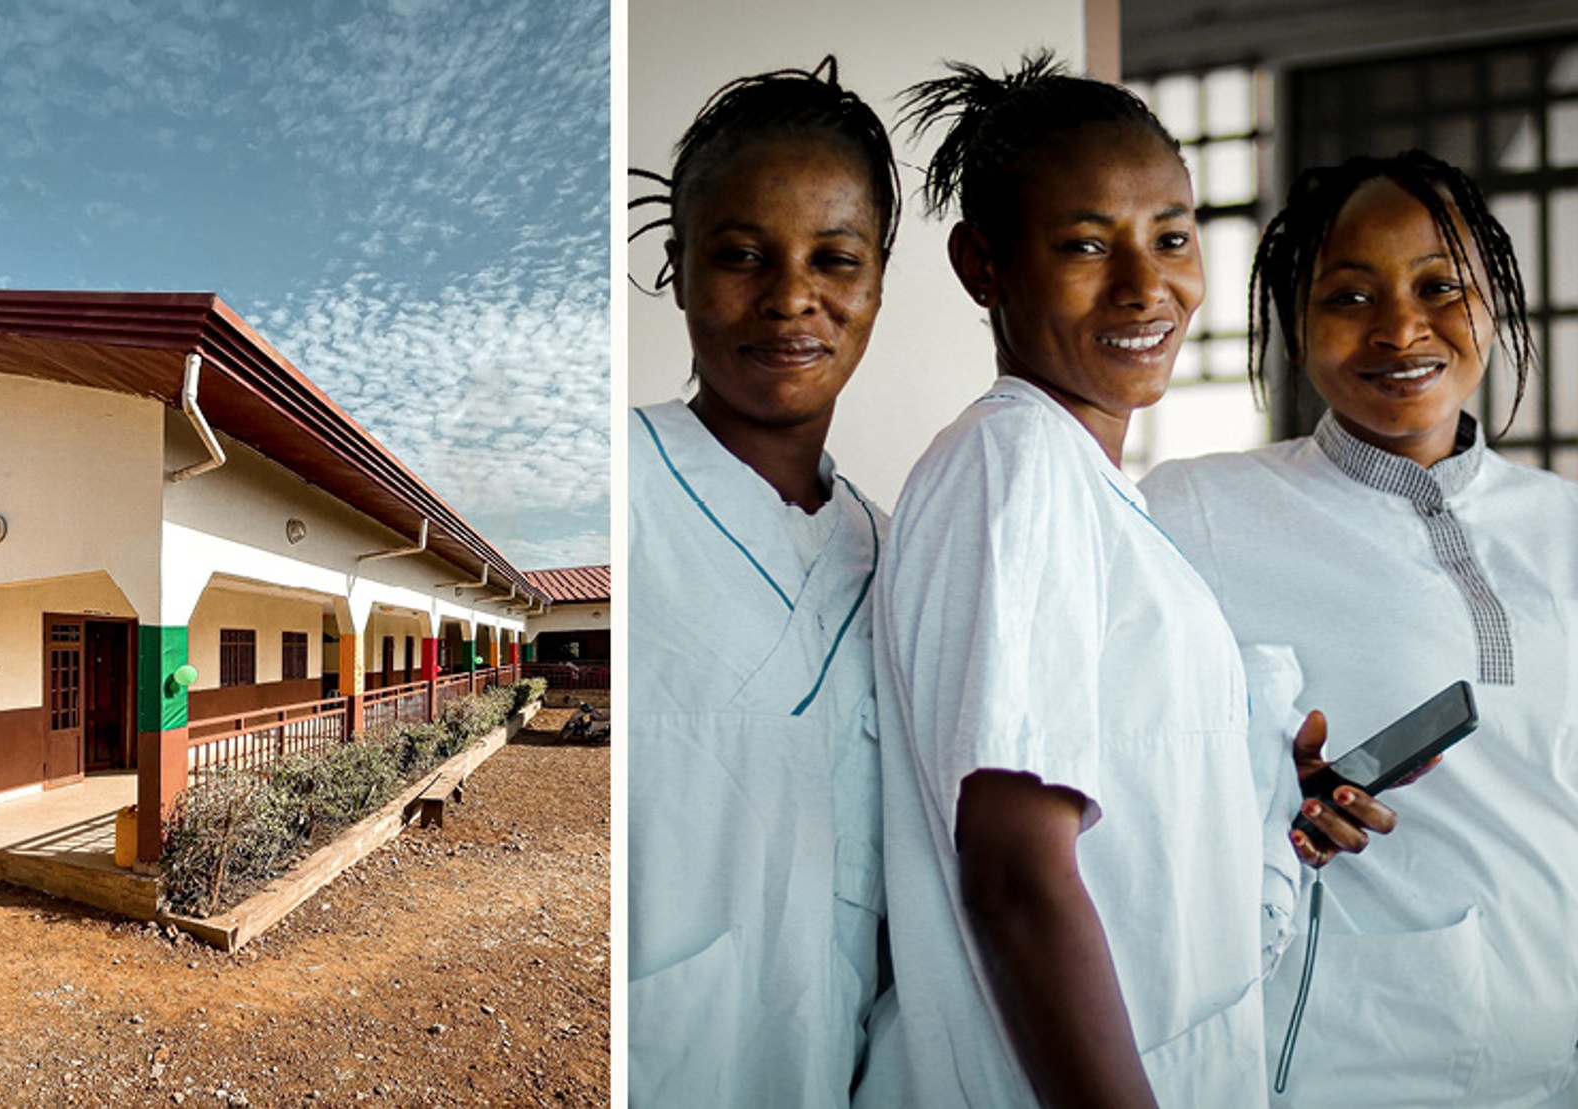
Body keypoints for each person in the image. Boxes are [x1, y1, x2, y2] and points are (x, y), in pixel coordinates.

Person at [854, 54, 1386, 1109]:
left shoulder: (1089, 488)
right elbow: (1013, 875)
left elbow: (1126, 802)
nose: (1147, 286)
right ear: (982, 266)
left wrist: (1258, 781)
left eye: (1171, 235)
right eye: (1086, 244)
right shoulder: (1014, 467)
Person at [1143, 150, 1578, 1109]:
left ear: (1493, 307)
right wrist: (1265, 799)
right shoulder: (1195, 511)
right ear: (1294, 329)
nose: (1399, 328)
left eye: (1440, 287)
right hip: (1349, 1056)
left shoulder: (1565, 525)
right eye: (1347, 296)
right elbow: (1124, 768)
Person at [626, 57, 900, 1107]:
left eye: (834, 258)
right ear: (679, 265)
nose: (790, 298)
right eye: (741, 255)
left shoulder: (896, 555)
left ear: (878, 281)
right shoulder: (631, 483)